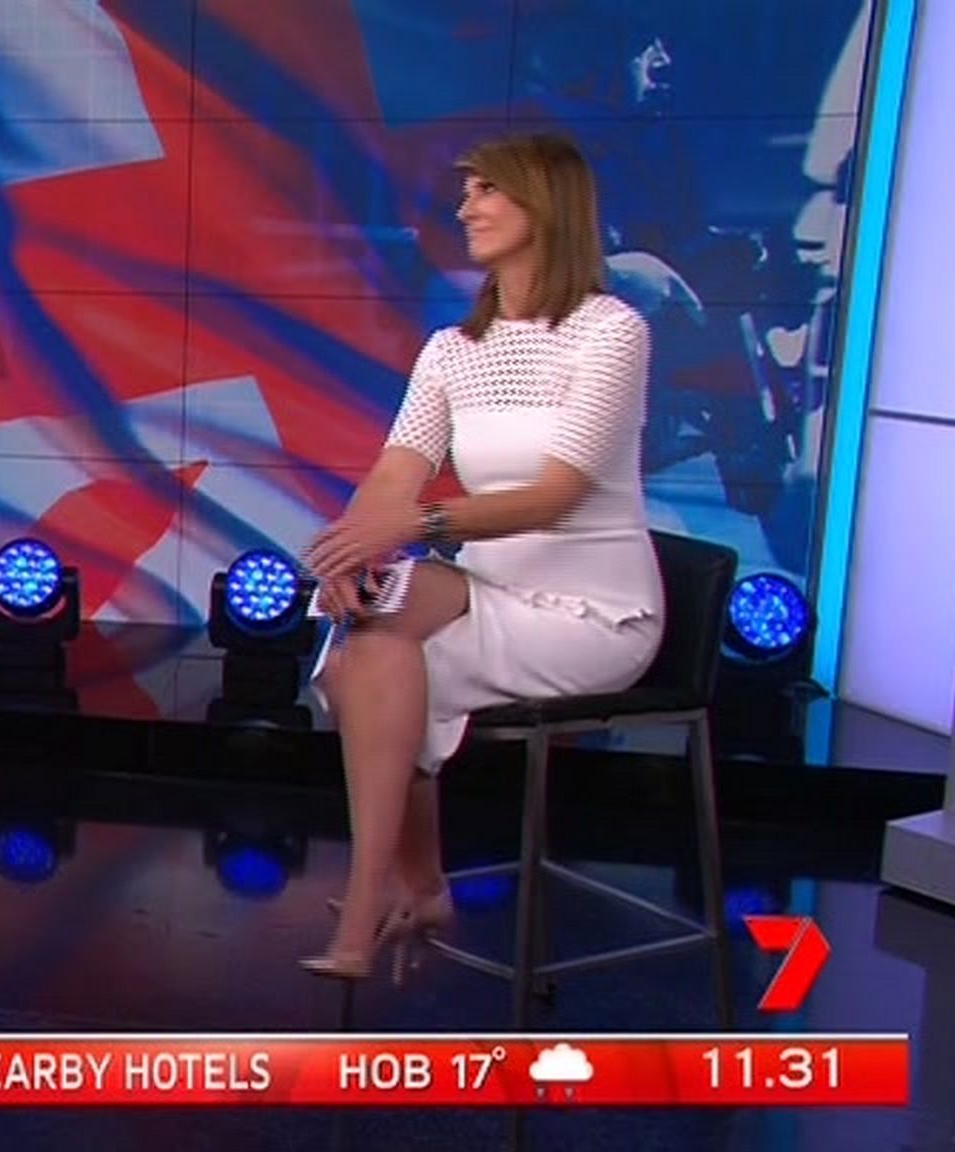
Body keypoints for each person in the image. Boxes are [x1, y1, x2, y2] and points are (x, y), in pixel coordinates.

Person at [298, 132, 663, 979]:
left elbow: (556, 496)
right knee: (369, 633)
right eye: (465, 192)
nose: (466, 208)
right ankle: (408, 891)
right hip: (488, 595)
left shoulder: (611, 334)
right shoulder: (451, 350)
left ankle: (385, 896)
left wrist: (413, 528)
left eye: (486, 190)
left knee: (374, 647)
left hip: (595, 616)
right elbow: (396, 473)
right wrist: (353, 550)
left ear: (546, 202)